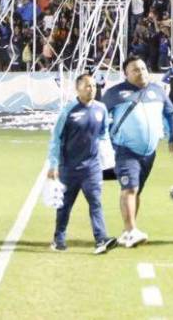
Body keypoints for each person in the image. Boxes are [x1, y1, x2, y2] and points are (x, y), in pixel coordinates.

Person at [103, 55, 173, 248]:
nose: (141, 72)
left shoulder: (157, 91)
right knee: (129, 189)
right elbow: (100, 117)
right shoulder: (114, 93)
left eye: (143, 68)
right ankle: (130, 231)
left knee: (136, 191)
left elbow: (170, 114)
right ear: (125, 74)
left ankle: (128, 231)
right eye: (135, 70)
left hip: (149, 153)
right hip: (125, 150)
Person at [47, 72, 117, 254]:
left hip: (92, 168)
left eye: (93, 86)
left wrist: (108, 158)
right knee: (65, 205)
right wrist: (53, 164)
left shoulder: (101, 109)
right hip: (69, 167)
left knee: (95, 202)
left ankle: (101, 239)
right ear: (77, 88)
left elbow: (103, 135)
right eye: (87, 86)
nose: (91, 89)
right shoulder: (68, 111)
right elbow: (56, 138)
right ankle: (59, 239)